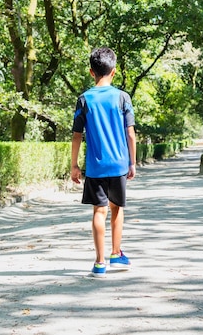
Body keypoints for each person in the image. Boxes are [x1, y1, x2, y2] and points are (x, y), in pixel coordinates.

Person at [70, 47, 137, 277]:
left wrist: (74, 165)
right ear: (114, 72)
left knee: (99, 211)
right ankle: (116, 254)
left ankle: (99, 264)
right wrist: (132, 162)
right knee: (116, 209)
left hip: (96, 167)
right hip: (119, 164)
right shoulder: (122, 97)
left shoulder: (83, 100)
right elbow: (130, 133)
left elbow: (77, 135)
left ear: (91, 72)